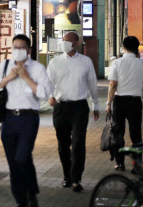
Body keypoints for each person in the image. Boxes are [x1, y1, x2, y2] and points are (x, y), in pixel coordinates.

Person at [0, 34, 53, 207]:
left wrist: (26, 78)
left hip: (28, 118)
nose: (17, 51)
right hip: (8, 119)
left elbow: (45, 94)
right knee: (14, 163)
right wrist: (8, 78)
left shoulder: (38, 68)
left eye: (21, 47)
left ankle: (31, 191)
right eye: (14, 47)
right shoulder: (5, 66)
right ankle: (22, 200)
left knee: (22, 158)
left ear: (29, 50)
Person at [47, 32, 99, 193]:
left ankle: (76, 178)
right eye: (63, 41)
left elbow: (92, 83)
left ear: (76, 43)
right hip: (61, 107)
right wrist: (49, 97)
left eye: (68, 41)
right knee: (63, 145)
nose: (64, 43)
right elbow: (48, 82)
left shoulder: (85, 62)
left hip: (79, 107)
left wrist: (96, 104)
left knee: (78, 143)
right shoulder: (55, 62)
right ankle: (66, 176)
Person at [105, 36, 143, 171]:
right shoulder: (142, 63)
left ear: (123, 47)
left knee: (118, 133)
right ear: (137, 48)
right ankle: (137, 165)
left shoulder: (117, 63)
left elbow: (113, 84)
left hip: (119, 102)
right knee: (136, 134)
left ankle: (120, 163)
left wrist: (108, 103)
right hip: (135, 101)